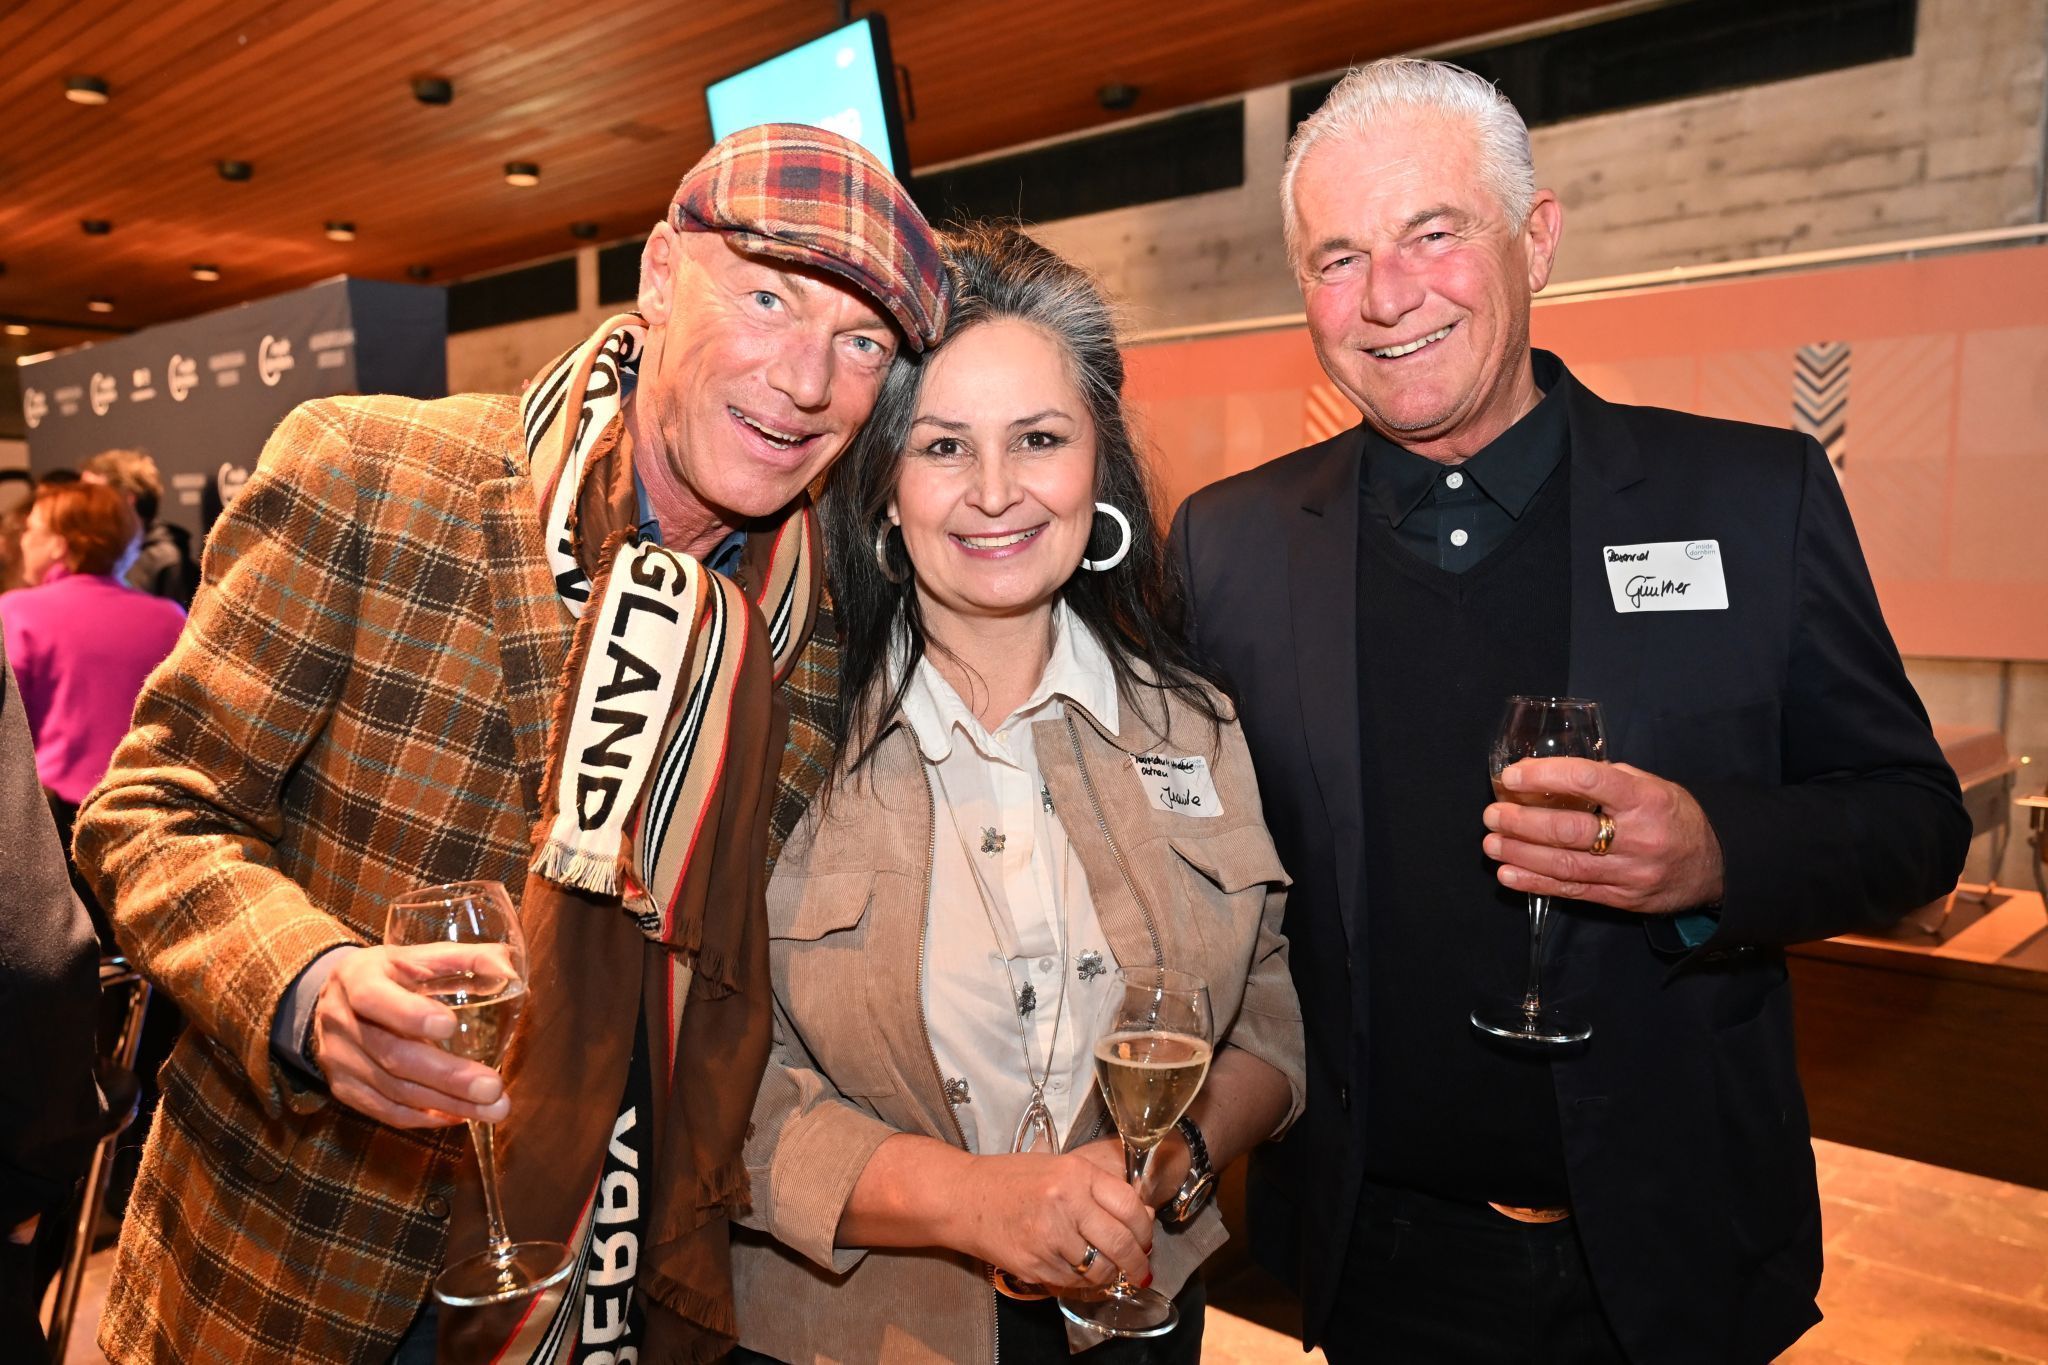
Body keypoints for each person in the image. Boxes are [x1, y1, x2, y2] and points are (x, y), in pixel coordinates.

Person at [72, 124, 948, 1365]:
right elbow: (153, 809)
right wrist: (308, 989)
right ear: (655, 278)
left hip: (611, 1281)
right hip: (292, 1273)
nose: (806, 380)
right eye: (765, 298)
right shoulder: (369, 471)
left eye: (861, 343)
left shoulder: (811, 637)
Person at [1171, 59, 1970, 1365]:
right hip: (1378, 1254)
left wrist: (1715, 855)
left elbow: (1910, 820)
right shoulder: (1232, 547)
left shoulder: (1750, 498)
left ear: (1536, 236)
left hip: (1672, 1246)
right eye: (1337, 258)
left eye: (1435, 233)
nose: (1385, 298)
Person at [728, 225, 1304, 1364]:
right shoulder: (777, 731)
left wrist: (1172, 1158)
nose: (995, 494)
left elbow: (1276, 1019)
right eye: (942, 447)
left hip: (1135, 1319)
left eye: (1038, 439)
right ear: (881, 489)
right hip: (854, 1335)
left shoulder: (1196, 723)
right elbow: (714, 1088)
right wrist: (971, 1203)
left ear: (1098, 471)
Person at [0, 481, 186, 945]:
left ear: (63, 543)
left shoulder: (15, 612)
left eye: (32, 529)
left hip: (53, 840)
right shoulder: (169, 616)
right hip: (154, 834)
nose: (23, 539)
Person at [0, 634, 105, 1362]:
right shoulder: (163, 611)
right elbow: (34, 957)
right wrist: (27, 1184)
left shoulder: (26, 615)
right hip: (89, 876)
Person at [82, 449, 201, 609]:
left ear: (127, 499)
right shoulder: (95, 554)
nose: (81, 505)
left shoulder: (166, 561)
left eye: (92, 495)